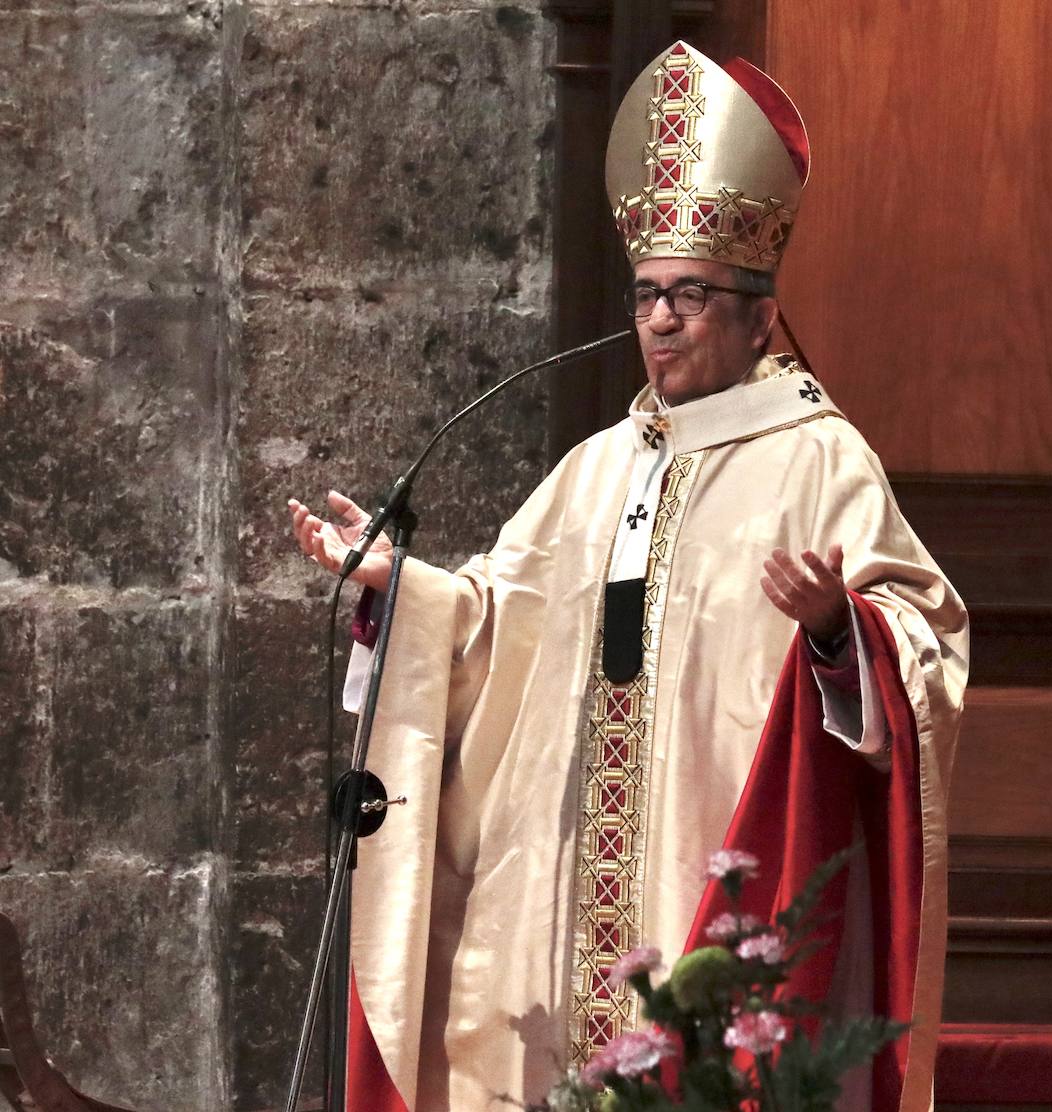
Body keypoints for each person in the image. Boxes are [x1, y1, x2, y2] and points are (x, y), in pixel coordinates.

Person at [287, 41, 967, 1112]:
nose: (659, 319)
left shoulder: (818, 456)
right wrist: (400, 586)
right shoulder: (596, 467)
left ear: (758, 312)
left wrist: (843, 631)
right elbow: (490, 625)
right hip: (556, 903)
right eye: (648, 294)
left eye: (691, 295)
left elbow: (922, 643)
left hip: (710, 867)